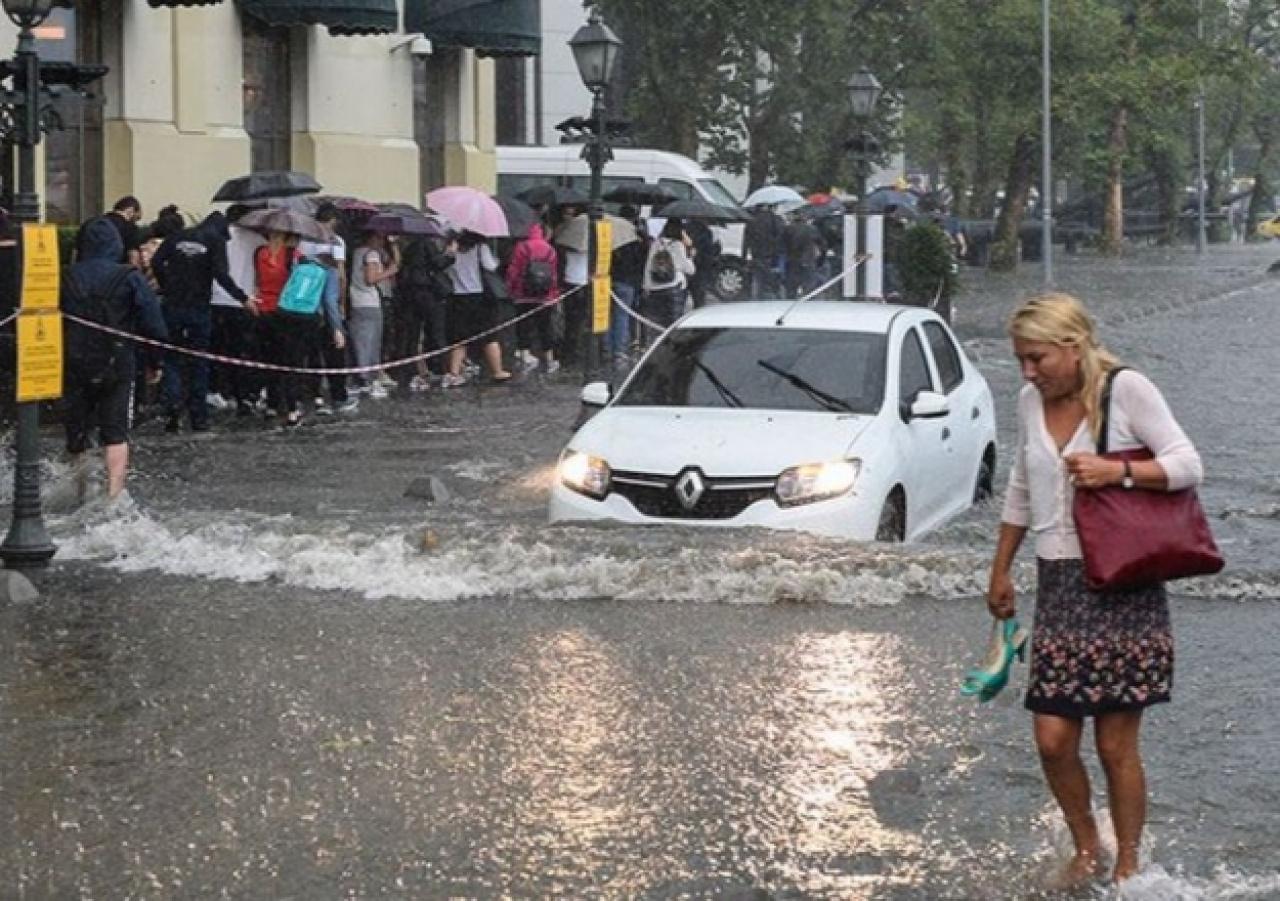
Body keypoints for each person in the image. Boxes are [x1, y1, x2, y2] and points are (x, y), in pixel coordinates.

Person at [986, 293, 1204, 889]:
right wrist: (1001, 567)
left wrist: (1120, 471)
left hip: (1122, 583)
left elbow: (1188, 464)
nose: (1029, 372)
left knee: (1114, 743)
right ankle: (1088, 849)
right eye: (1020, 361)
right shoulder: (1030, 401)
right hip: (1058, 586)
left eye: (1038, 359)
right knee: (1053, 738)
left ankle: (1128, 860)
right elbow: (1020, 487)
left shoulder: (1127, 389)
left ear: (1073, 347)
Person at [60, 217, 168, 498]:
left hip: (73, 362)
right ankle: (113, 495)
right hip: (117, 363)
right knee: (116, 432)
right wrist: (155, 362)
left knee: (77, 432)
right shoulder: (129, 276)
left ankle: (78, 492)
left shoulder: (64, 275)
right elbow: (154, 325)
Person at [151, 210, 254, 432]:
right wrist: (243, 298)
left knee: (172, 358)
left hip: (173, 306)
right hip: (198, 308)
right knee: (199, 362)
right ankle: (198, 416)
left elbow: (156, 261)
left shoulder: (176, 237)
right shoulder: (215, 241)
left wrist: (167, 284)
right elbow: (221, 275)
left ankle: (173, 409)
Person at [210, 203, 266, 416]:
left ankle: (219, 391)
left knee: (219, 350)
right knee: (243, 352)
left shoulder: (217, 237)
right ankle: (244, 394)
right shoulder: (257, 240)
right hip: (244, 302)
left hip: (217, 299)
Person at [444, 231, 512, 386]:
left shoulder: (451, 249)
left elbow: (446, 268)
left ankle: (454, 373)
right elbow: (491, 266)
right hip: (479, 297)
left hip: (457, 296)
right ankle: (497, 371)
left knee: (459, 338)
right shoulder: (481, 248)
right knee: (489, 335)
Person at [348, 230, 399, 398]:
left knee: (362, 340)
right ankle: (367, 380)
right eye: (380, 238)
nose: (381, 242)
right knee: (371, 341)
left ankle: (365, 377)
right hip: (369, 301)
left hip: (356, 301)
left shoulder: (357, 252)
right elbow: (371, 279)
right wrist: (389, 272)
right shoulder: (371, 254)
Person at [505, 222, 560, 374]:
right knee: (545, 326)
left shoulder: (521, 247)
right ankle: (549, 358)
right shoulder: (550, 250)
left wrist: (511, 289)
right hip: (545, 295)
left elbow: (513, 271)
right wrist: (554, 294)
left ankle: (525, 354)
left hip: (523, 294)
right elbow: (553, 275)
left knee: (523, 326)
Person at [641, 218, 695, 342]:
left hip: (654, 288)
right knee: (673, 322)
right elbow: (690, 269)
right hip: (673, 288)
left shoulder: (656, 243)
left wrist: (646, 286)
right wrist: (690, 255)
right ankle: (672, 345)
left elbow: (648, 265)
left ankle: (655, 344)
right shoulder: (678, 245)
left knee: (655, 321)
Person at [104, 195, 145, 267]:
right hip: (117, 271)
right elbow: (133, 257)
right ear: (131, 210)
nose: (134, 221)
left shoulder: (94, 224)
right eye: (136, 218)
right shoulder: (130, 228)